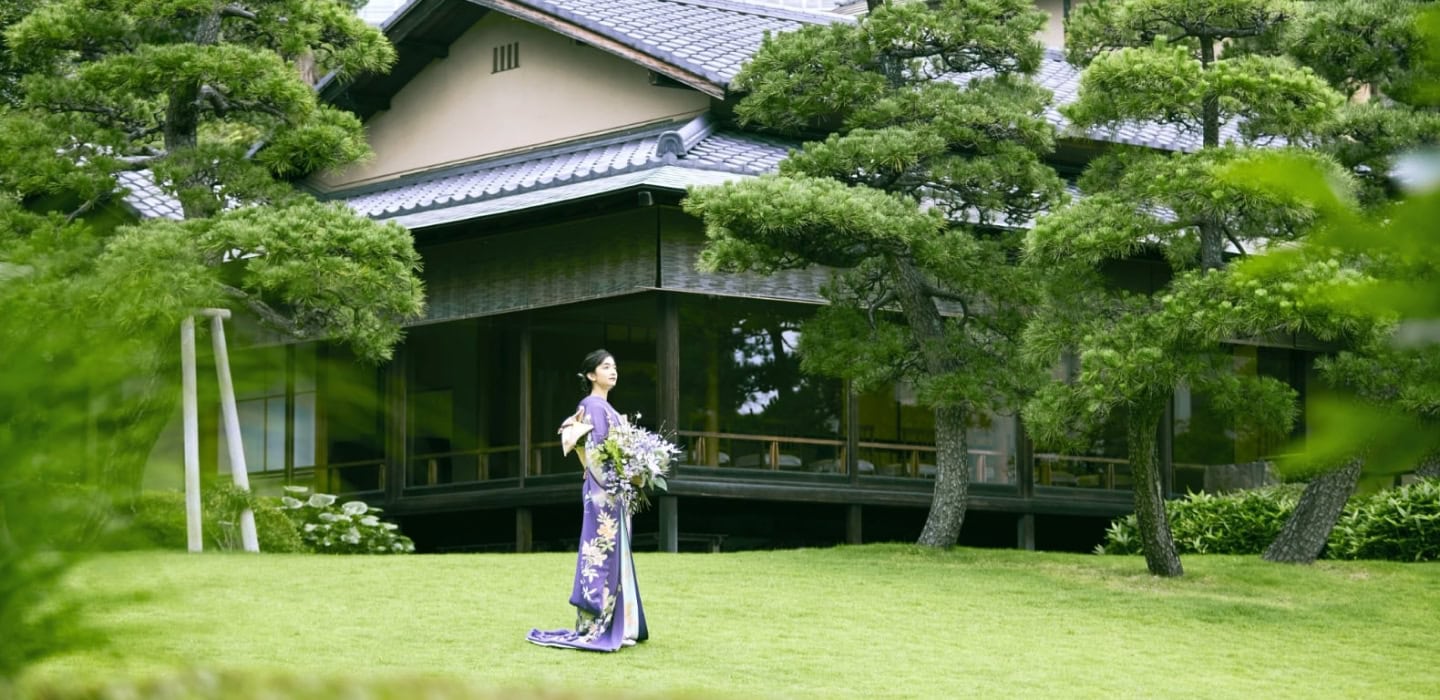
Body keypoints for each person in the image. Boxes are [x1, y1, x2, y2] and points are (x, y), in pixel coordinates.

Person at [526, 349, 649, 651]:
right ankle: (597, 623)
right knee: (600, 552)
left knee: (613, 553)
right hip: (602, 492)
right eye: (606, 367)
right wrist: (615, 479)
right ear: (592, 375)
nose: (613, 371)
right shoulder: (592, 405)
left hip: (614, 490)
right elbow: (594, 453)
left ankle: (619, 623)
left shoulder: (607, 408)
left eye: (615, 367)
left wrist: (635, 471)